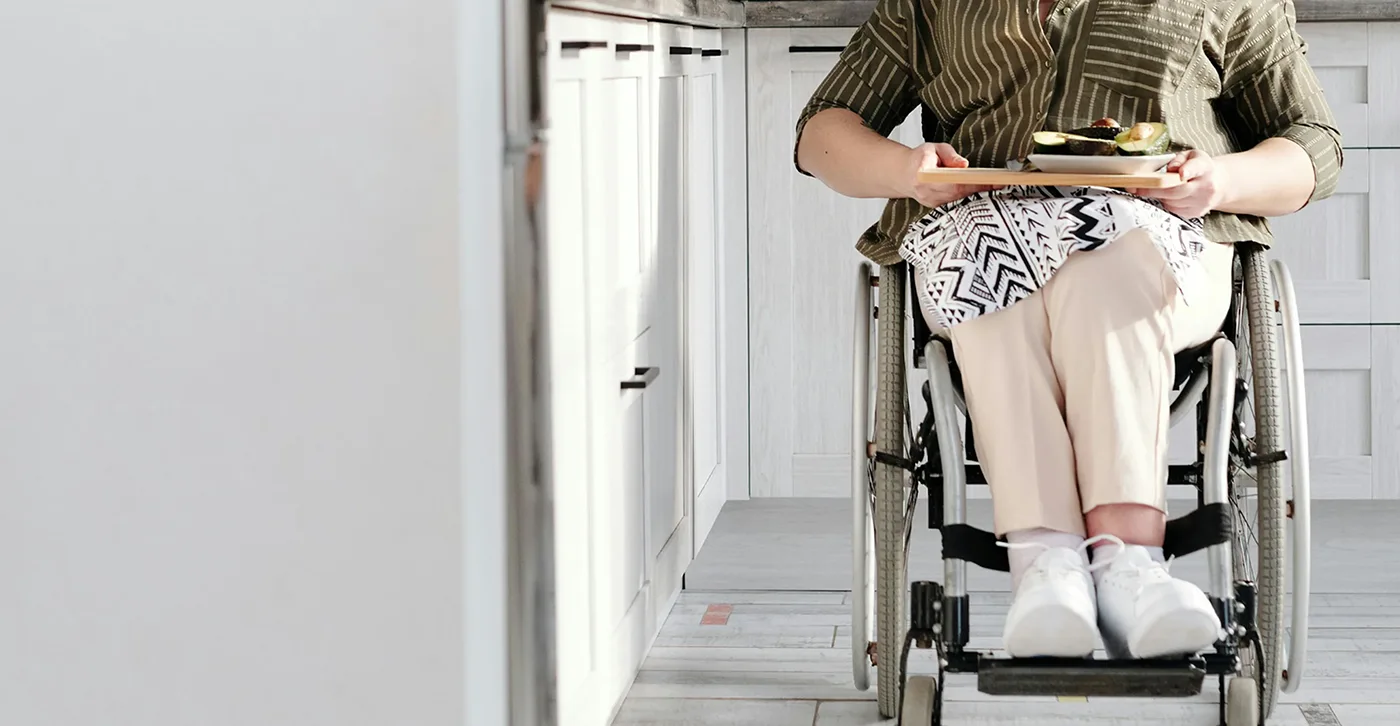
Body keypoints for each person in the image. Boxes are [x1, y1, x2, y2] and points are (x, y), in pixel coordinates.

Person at [797, 0, 1341, 659]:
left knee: (1101, 262)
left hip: (1161, 240)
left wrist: (1219, 179)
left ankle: (1128, 563)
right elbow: (822, 131)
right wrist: (906, 170)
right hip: (979, 230)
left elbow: (1312, 139)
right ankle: (1046, 567)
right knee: (996, 271)